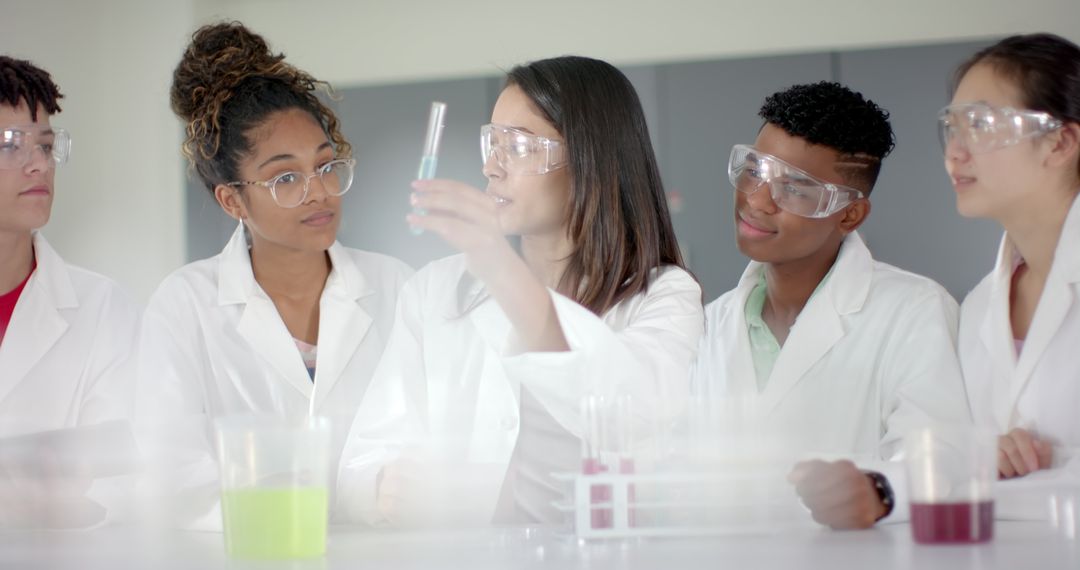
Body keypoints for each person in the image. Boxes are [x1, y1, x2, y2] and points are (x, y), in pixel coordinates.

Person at [337, 56, 704, 526]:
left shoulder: (664, 296)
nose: (492, 167)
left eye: (519, 146)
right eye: (493, 142)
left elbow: (631, 414)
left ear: (592, 158)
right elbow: (363, 460)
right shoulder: (435, 291)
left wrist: (500, 269)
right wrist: (381, 488)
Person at [136, 22, 412, 528]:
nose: (318, 191)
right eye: (286, 177)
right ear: (232, 199)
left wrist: (385, 490)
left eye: (326, 166)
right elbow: (172, 476)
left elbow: (414, 439)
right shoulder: (186, 305)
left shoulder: (397, 287)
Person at [693, 81, 971, 529]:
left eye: (796, 187)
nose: (758, 200)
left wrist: (876, 491)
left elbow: (943, 459)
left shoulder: (915, 312)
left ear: (849, 214)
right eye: (755, 169)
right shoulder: (707, 326)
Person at [0, 55, 140, 528]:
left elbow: (125, 479)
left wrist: (63, 504)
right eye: (10, 146)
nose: (39, 164)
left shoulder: (104, 309)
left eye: (45, 145)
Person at [944, 34, 1080, 487]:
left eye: (980, 124)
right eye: (952, 128)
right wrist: (983, 456)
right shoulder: (980, 305)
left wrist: (1043, 470)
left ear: (1060, 142)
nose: (954, 153)